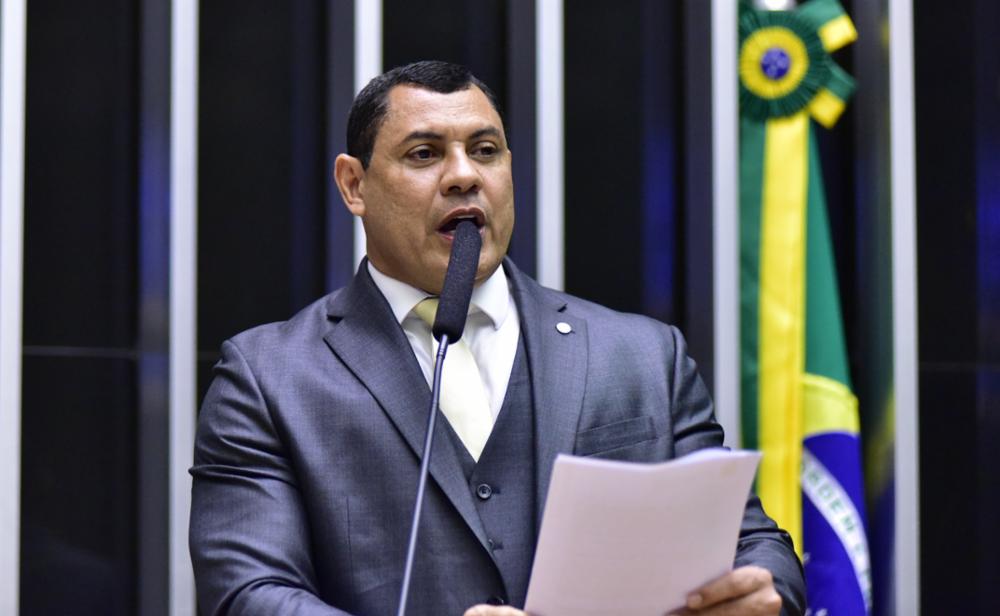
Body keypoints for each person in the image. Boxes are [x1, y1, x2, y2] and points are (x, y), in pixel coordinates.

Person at [189, 60, 805, 616]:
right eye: (424, 154)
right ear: (355, 185)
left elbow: (754, 544)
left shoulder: (643, 356)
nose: (464, 176)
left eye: (485, 150)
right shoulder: (268, 378)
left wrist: (764, 592)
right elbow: (248, 594)